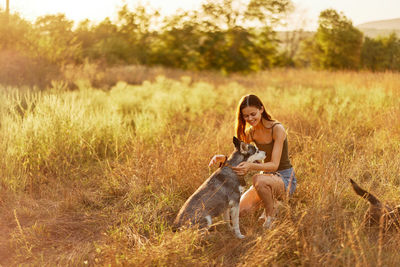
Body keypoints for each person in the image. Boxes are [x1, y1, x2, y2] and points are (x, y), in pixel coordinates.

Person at [208, 94, 297, 228]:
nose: (250, 118)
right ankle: (274, 202)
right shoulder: (251, 133)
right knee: (236, 214)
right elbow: (238, 157)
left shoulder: (277, 129)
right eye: (246, 116)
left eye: (253, 114)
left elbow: (274, 165)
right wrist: (224, 159)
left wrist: (250, 166)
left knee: (258, 179)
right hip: (265, 179)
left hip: (284, 179)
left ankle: (270, 216)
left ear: (261, 109)